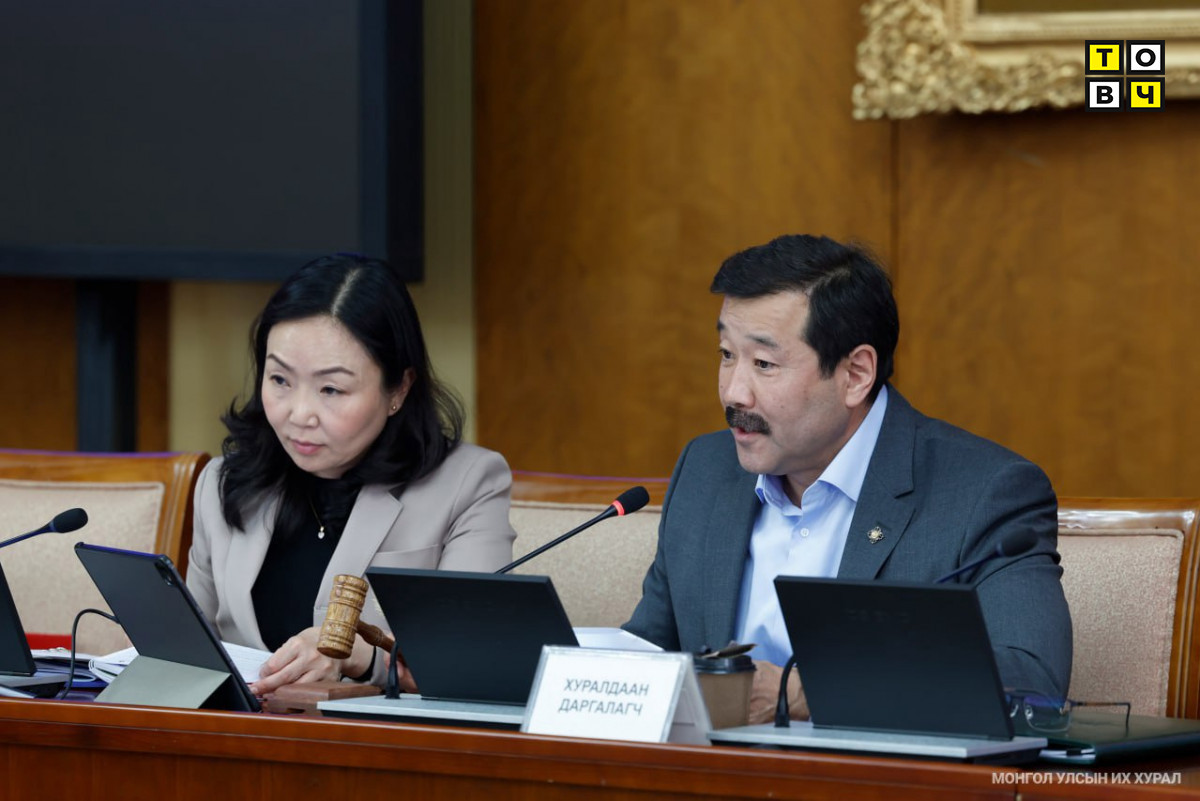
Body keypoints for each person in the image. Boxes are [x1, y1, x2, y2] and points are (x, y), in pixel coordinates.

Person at [623, 234, 1071, 723]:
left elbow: (1032, 686)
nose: (733, 393)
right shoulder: (706, 472)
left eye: (764, 364)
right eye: (727, 354)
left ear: (856, 374)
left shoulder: (984, 494)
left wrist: (801, 693)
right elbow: (649, 651)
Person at [187, 254, 516, 696]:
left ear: (398, 388)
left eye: (331, 389)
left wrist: (362, 657)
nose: (299, 414)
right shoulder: (224, 482)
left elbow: (470, 664)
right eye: (280, 380)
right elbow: (190, 652)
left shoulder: (467, 484)